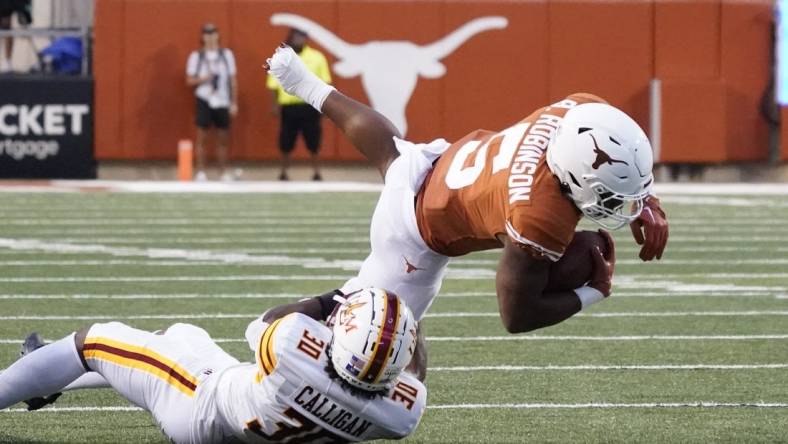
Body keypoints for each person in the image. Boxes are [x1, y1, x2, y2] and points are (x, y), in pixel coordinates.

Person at [265, 45, 669, 333]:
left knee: (392, 152)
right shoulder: (539, 217)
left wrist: (643, 197)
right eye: (612, 196)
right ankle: (270, 328)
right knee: (387, 334)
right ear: (574, 176)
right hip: (414, 231)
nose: (619, 205)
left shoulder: (579, 109)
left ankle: (309, 86)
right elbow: (517, 315)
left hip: (435, 162)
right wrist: (595, 291)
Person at [0, 288, 427, 443]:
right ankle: (49, 382)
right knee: (183, 334)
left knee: (92, 338)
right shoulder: (401, 414)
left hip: (200, 402)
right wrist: (408, 328)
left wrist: (326, 300)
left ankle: (18, 383)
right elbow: (412, 373)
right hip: (246, 425)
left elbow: (263, 322)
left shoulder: (292, 345)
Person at [267, 29, 331, 181]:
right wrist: (274, 104)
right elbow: (273, 84)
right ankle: (283, 172)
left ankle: (316, 172)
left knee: (313, 140)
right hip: (289, 106)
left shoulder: (317, 57)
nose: (298, 40)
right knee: (286, 140)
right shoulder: (283, 58)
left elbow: (326, 82)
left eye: (302, 37)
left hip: (310, 105)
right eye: (296, 36)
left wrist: (326, 106)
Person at [186, 23, 239, 182]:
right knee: (202, 137)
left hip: (222, 99)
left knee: (223, 137)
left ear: (218, 35)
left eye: (213, 33)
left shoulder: (226, 55)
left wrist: (233, 102)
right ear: (202, 37)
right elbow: (189, 80)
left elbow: (232, 80)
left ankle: (222, 171)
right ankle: (201, 171)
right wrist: (204, 78)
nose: (210, 36)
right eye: (207, 33)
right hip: (205, 97)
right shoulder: (197, 56)